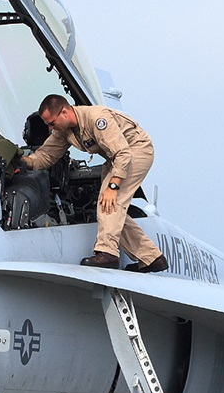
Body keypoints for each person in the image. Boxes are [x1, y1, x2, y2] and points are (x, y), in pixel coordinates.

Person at [22, 94, 168, 271]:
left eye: (52, 123)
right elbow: (46, 156)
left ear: (65, 112)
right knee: (111, 212)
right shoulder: (64, 131)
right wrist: (22, 161)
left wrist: (113, 186)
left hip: (135, 152)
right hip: (116, 158)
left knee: (110, 202)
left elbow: (123, 153)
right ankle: (152, 258)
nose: (50, 128)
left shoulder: (97, 118)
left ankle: (107, 253)